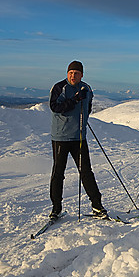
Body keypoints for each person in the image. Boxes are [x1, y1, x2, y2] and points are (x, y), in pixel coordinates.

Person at [48, 60, 106, 219]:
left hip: (79, 137)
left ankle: (97, 205)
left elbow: (88, 108)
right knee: (58, 173)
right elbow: (55, 107)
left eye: (76, 73)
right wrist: (74, 100)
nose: (73, 76)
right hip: (60, 137)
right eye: (70, 73)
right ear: (67, 74)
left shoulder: (86, 88)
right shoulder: (59, 87)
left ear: (82, 74)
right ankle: (56, 208)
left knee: (86, 172)